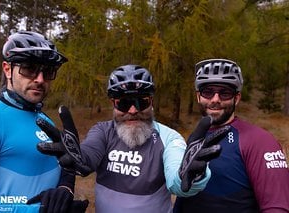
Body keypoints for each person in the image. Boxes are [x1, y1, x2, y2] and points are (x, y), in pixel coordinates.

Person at [34, 64, 231, 212]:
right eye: (124, 103)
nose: (133, 110)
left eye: (141, 101)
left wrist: (192, 176)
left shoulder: (170, 138)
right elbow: (86, 158)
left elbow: (178, 181)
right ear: (113, 103)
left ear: (151, 102)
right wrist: (77, 160)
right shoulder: (103, 131)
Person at [0, 31, 88, 212]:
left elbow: (59, 174)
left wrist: (66, 186)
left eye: (47, 71)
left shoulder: (44, 120)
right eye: (29, 68)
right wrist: (37, 211)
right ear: (7, 69)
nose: (39, 79)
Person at [173, 58, 289, 213]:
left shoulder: (260, 141)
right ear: (198, 96)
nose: (215, 99)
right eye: (208, 92)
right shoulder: (196, 137)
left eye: (225, 93)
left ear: (237, 98)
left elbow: (277, 207)